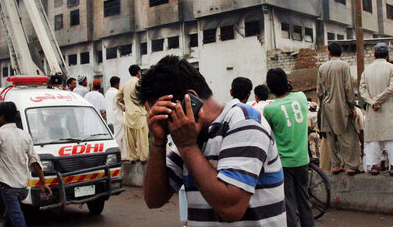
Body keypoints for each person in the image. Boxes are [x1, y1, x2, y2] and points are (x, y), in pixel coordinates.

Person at [138, 56, 285, 226]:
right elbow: (153, 199)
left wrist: (188, 146)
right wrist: (158, 141)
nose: (166, 125)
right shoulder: (190, 135)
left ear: (190, 100)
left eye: (164, 115)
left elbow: (231, 208)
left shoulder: (244, 121)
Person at [0, 102, 51, 227]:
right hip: (22, 187)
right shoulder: (24, 134)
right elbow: (34, 160)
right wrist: (44, 182)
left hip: (9, 188)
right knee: (10, 217)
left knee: (17, 219)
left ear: (2, 117)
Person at [263, 68, 314, 227]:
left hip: (284, 162)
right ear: (287, 82)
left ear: (270, 88)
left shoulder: (270, 109)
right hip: (302, 159)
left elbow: (268, 134)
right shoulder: (300, 97)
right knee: (304, 199)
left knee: (289, 202)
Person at [359, 43, 393, 176]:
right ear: (387, 55)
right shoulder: (392, 68)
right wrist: (378, 100)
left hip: (373, 109)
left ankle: (374, 166)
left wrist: (372, 102)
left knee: (374, 138)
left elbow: (362, 90)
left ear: (374, 54)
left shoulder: (367, 70)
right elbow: (392, 88)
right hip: (389, 108)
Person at [316, 42, 360, 175]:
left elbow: (319, 90)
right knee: (347, 136)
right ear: (340, 53)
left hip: (326, 105)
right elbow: (348, 87)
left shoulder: (322, 68)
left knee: (330, 136)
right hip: (341, 105)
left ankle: (335, 165)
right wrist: (351, 105)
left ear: (329, 52)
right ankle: (351, 165)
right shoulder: (344, 66)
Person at [117, 65, 149, 164]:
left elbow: (118, 97)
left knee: (131, 139)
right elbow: (145, 98)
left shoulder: (125, 84)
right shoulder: (140, 83)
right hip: (140, 114)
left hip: (129, 114)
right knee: (142, 138)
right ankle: (143, 158)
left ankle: (133, 157)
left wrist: (125, 105)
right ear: (139, 72)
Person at [105, 76, 128, 161]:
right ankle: (119, 156)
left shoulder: (107, 93)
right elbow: (122, 104)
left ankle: (120, 156)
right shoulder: (116, 93)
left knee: (115, 136)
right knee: (119, 138)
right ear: (117, 83)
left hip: (110, 118)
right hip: (118, 118)